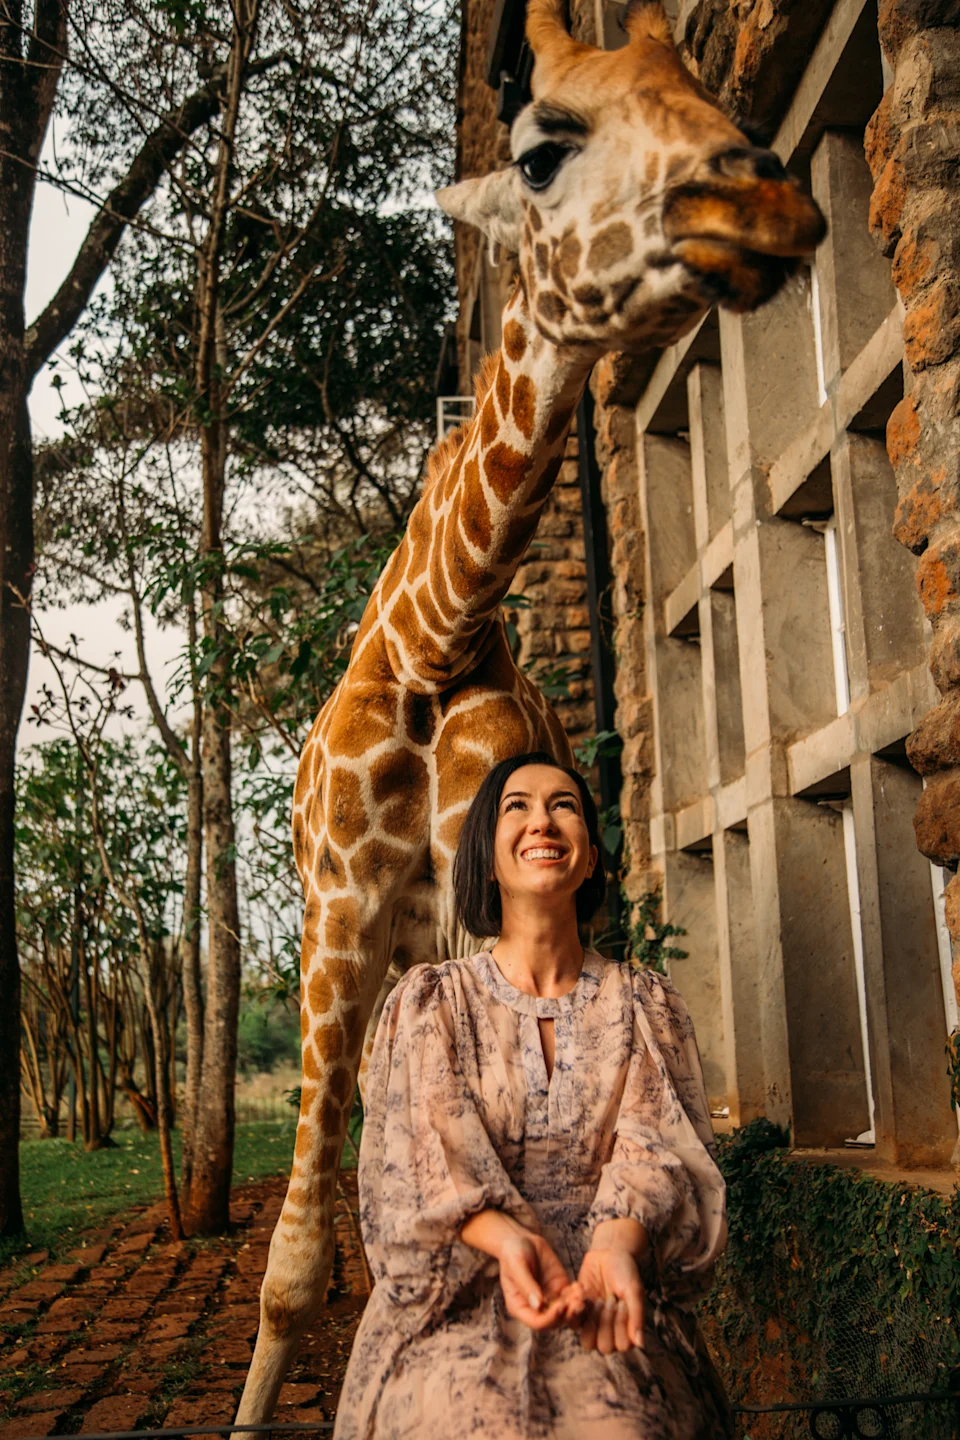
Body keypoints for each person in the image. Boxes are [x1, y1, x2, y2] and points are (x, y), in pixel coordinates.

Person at [333, 750, 733, 1439]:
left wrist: (614, 1246)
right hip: (456, 1306)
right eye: (516, 806)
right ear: (487, 860)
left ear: (588, 861)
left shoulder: (644, 1004)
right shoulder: (433, 1002)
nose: (542, 820)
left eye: (564, 805)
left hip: (609, 1304)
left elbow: (658, 1146)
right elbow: (423, 1157)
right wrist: (507, 1241)